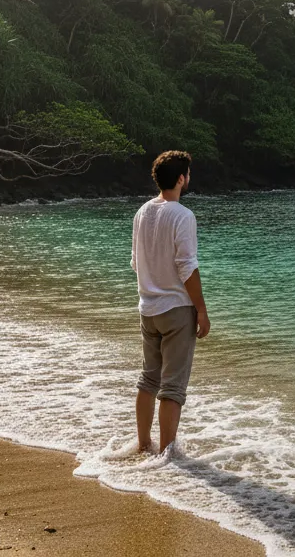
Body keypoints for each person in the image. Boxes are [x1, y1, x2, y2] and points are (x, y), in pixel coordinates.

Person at [131, 150, 210, 454]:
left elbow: (136, 263)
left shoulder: (142, 213)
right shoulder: (182, 215)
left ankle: (143, 445)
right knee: (173, 387)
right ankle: (166, 457)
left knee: (148, 380)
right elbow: (187, 267)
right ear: (181, 179)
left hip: (147, 308)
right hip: (176, 310)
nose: (188, 178)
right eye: (187, 174)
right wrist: (201, 310)